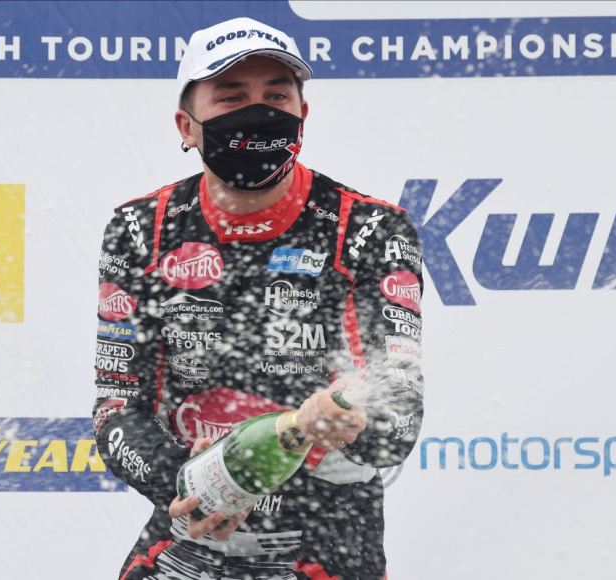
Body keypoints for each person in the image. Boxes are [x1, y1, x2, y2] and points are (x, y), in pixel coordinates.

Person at [92, 16, 424, 580]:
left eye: (276, 95)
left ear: (302, 115)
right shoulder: (139, 229)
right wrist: (198, 483)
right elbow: (116, 413)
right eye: (231, 97)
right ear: (187, 124)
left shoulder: (369, 228)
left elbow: (401, 416)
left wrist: (351, 415)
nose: (259, 111)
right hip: (188, 521)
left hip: (330, 535)